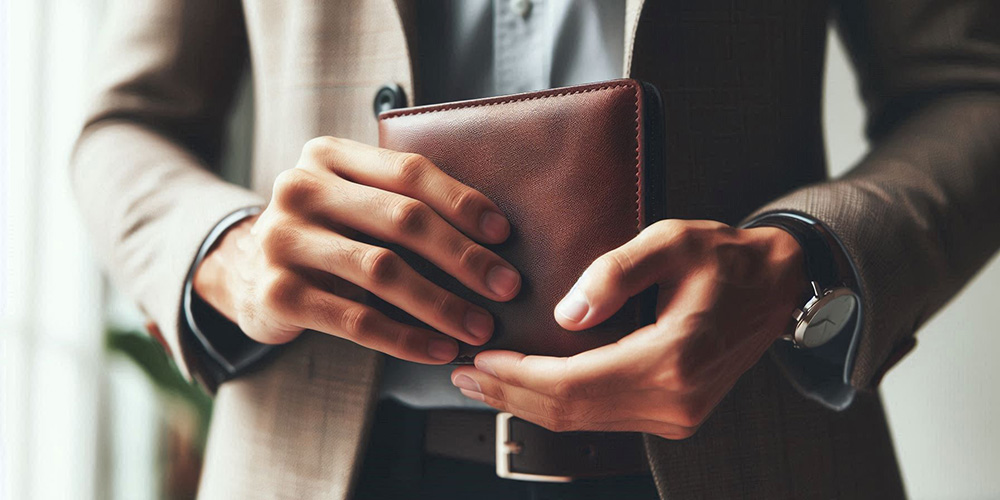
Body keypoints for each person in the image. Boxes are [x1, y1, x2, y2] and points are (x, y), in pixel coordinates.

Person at [71, 0, 1000, 498]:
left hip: (747, 451)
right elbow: (127, 123)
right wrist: (228, 252)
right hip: (323, 465)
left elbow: (970, 91)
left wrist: (804, 261)